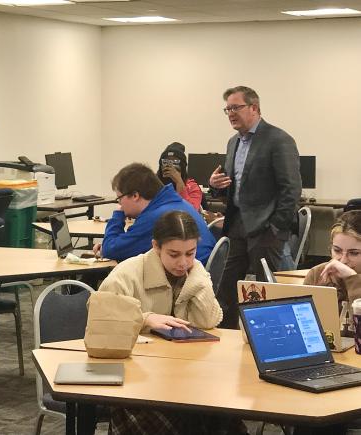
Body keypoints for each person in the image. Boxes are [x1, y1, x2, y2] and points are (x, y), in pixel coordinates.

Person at [99, 211, 239, 435]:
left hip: (182, 375)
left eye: (190, 253)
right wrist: (144, 319)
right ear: (156, 246)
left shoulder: (192, 273)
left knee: (223, 411)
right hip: (136, 381)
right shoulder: (127, 275)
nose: (183, 262)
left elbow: (209, 320)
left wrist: (198, 278)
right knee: (175, 416)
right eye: (174, 254)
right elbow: (102, 323)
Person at [209, 86, 301, 328]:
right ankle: (225, 336)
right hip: (237, 223)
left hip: (266, 228)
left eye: (235, 107)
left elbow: (291, 188)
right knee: (226, 287)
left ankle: (269, 338)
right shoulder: (233, 143)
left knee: (263, 291)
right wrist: (215, 185)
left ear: (254, 108)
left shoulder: (278, 140)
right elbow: (233, 184)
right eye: (227, 108)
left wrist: (276, 228)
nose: (230, 113)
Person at [94, 163, 215, 264]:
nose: (120, 204)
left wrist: (118, 215)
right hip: (200, 278)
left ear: (135, 196)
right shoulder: (175, 203)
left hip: (184, 285)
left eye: (119, 198)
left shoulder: (157, 217)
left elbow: (110, 250)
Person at [303, 210, 361, 318]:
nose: (343, 261)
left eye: (354, 253)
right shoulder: (317, 274)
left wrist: (352, 279)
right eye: (337, 250)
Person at [157, 142, 203, 210]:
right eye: (165, 162)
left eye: (175, 162)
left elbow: (191, 212)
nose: (170, 166)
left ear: (182, 166)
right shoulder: (154, 183)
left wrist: (179, 181)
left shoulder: (192, 186)